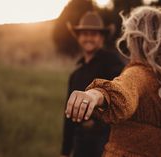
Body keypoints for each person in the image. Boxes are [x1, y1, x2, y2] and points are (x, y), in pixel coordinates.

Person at [65, 6, 161, 157]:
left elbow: (123, 92)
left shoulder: (138, 73)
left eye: (129, 35)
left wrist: (95, 94)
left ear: (136, 38)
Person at [61, 11, 125, 157]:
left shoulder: (111, 61)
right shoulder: (76, 74)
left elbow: (121, 88)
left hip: (104, 139)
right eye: (84, 33)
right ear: (78, 37)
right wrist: (65, 151)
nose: (88, 37)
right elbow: (68, 115)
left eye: (94, 34)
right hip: (80, 139)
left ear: (101, 38)